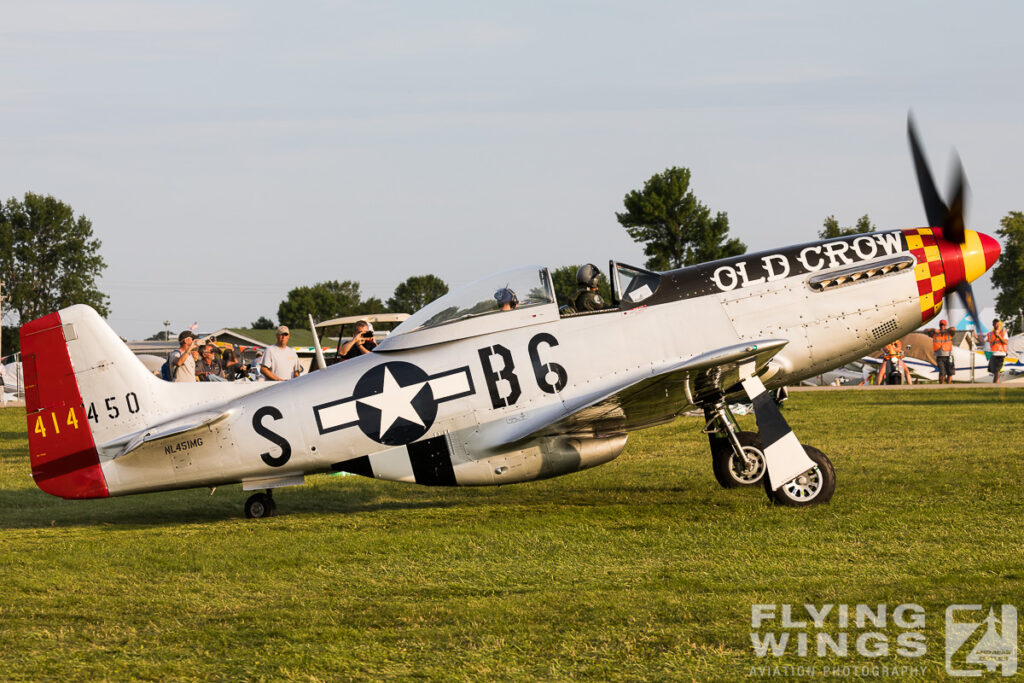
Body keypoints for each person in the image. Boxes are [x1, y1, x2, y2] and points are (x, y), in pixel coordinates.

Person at [927, 319, 955, 384]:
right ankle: (941, 386)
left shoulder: (949, 332)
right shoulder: (935, 333)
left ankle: (948, 386)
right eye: (941, 325)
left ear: (946, 326)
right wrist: (934, 330)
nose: (942, 326)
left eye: (944, 325)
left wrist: (946, 330)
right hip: (940, 357)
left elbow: (953, 328)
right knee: (942, 373)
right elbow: (926, 330)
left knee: (950, 373)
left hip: (949, 355)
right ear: (939, 326)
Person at [987, 318, 1009, 383]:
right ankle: (996, 384)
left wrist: (999, 336)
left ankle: (995, 385)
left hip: (1001, 354)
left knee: (997, 370)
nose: (997, 325)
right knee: (995, 371)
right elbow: (992, 344)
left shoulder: (1004, 332)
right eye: (996, 324)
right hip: (993, 354)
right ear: (993, 324)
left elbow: (1006, 342)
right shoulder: (990, 334)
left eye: (999, 324)